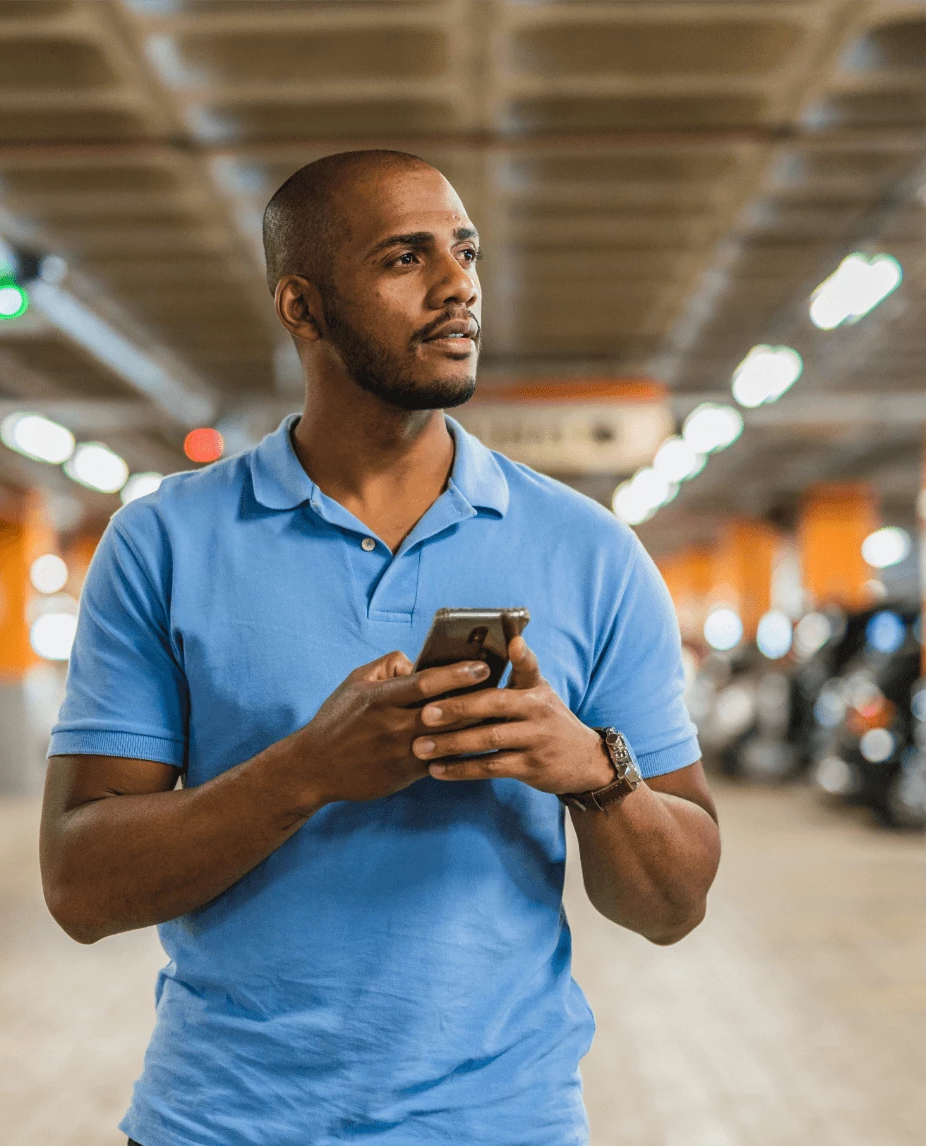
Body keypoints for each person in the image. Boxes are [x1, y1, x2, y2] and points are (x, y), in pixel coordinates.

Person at [40, 150, 721, 1146]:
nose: (459, 289)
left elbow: (672, 905)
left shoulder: (589, 552)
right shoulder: (166, 543)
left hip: (504, 1125)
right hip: (220, 1124)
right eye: (405, 259)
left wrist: (590, 771)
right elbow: (79, 886)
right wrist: (306, 771)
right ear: (302, 308)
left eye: (465, 252)